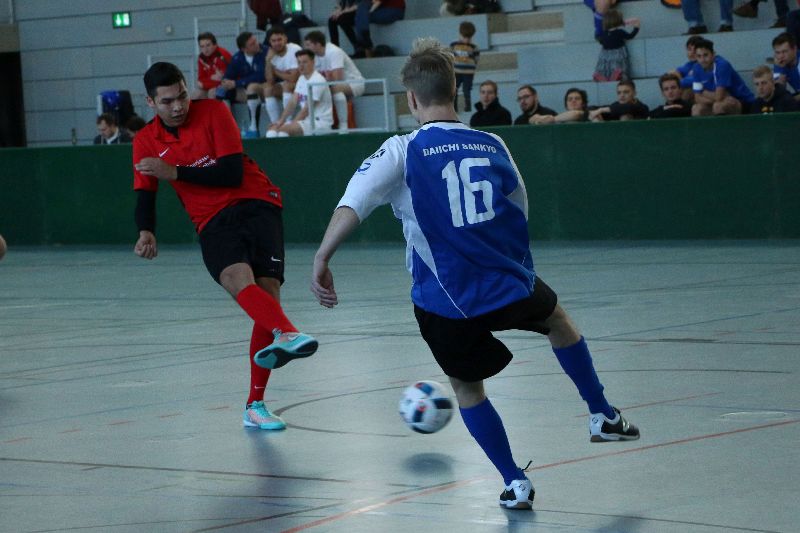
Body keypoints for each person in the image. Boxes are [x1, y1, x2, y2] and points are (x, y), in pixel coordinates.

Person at [310, 38, 639, 511]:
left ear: (411, 99)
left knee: (467, 388)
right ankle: (601, 413)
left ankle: (514, 482)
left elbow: (353, 204)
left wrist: (323, 256)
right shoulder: (492, 142)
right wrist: (514, 267)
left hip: (444, 298)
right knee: (559, 321)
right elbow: (518, 207)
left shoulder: (402, 149)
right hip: (505, 281)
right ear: (456, 94)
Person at [133, 62, 318, 431]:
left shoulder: (215, 112)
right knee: (236, 278)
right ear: (151, 102)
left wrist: (176, 172)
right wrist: (145, 231)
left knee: (267, 294)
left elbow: (231, 172)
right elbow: (144, 193)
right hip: (211, 219)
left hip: (256, 200)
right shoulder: (145, 141)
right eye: (167, 101)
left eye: (182, 96)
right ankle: (287, 333)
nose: (178, 106)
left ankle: (255, 404)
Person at [303, 30, 366, 132]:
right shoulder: (314, 56)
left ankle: (343, 125)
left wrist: (325, 80)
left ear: (317, 44)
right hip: (333, 85)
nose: (306, 48)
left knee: (333, 90)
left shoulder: (334, 52)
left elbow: (337, 79)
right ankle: (319, 121)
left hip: (355, 83)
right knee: (318, 91)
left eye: (308, 45)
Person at [266, 49, 334, 137]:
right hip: (307, 121)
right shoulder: (302, 78)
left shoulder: (318, 80)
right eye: (299, 62)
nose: (301, 66)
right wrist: (280, 121)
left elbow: (307, 110)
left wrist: (291, 124)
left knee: (283, 131)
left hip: (320, 123)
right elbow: (292, 102)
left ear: (313, 62)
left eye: (304, 62)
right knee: (272, 130)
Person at [217, 31, 268, 138]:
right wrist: (225, 82)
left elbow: (262, 76)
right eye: (252, 44)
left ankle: (254, 128)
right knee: (220, 92)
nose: (257, 44)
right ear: (244, 49)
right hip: (246, 91)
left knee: (251, 88)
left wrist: (237, 83)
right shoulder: (238, 58)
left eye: (255, 41)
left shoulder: (265, 52)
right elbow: (228, 75)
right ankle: (226, 130)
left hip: (265, 88)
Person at [690, 38, 755, 115]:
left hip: (743, 101)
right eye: (699, 56)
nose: (702, 60)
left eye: (705, 55)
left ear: (713, 54)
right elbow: (697, 98)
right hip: (719, 101)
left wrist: (703, 92)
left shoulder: (722, 65)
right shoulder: (696, 68)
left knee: (718, 106)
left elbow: (719, 96)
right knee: (696, 109)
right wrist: (716, 98)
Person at [263, 26, 302, 128]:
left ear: (285, 38)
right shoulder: (271, 54)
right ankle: (275, 123)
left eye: (279, 39)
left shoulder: (294, 49)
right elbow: (270, 81)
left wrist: (275, 71)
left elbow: (293, 78)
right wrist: (268, 61)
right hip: (289, 85)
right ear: (270, 42)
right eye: (273, 41)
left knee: (287, 85)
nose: (277, 43)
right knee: (268, 89)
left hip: (303, 85)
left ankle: (287, 122)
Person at [593, 11, 639, 82]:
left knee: (605, 65)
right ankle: (618, 75)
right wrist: (636, 28)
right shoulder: (620, 32)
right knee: (619, 65)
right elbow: (630, 36)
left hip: (606, 54)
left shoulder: (604, 34)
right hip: (618, 52)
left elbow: (600, 41)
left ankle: (603, 75)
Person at [451, 21, 480, 112]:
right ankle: (454, 108)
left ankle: (468, 108)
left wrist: (472, 66)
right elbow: (450, 56)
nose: (466, 40)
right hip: (456, 71)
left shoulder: (474, 47)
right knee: (454, 89)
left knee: (467, 90)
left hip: (468, 73)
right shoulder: (454, 45)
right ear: (460, 34)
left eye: (469, 38)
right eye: (464, 37)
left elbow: (476, 58)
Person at [193, 32, 232, 100]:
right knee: (195, 95)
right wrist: (211, 79)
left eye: (208, 45)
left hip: (229, 87)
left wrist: (205, 83)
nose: (205, 49)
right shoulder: (201, 58)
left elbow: (225, 81)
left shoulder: (222, 55)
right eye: (202, 46)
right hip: (210, 86)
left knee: (212, 93)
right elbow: (201, 80)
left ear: (215, 45)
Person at [671, 35, 705, 103]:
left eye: (695, 50)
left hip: (707, 93)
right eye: (689, 49)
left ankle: (678, 106)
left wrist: (678, 83)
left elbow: (693, 81)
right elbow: (675, 73)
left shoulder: (704, 63)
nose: (692, 53)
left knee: (688, 90)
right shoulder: (690, 64)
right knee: (673, 73)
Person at [772, 32, 800, 97]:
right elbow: (778, 91)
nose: (781, 56)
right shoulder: (779, 63)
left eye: (784, 51)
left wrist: (791, 100)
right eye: (777, 52)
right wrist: (781, 69)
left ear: (795, 49)